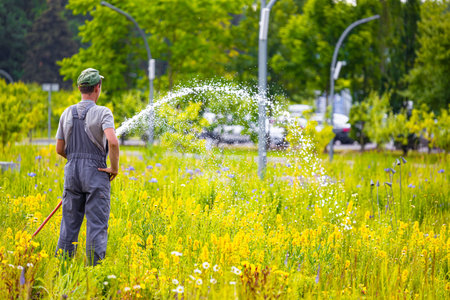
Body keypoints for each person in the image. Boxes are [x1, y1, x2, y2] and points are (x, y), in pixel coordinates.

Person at [55, 68, 119, 266]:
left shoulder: (66, 113)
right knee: (96, 226)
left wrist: (75, 160)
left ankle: (63, 268)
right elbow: (113, 142)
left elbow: (59, 148)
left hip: (72, 174)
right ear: (97, 88)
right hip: (96, 174)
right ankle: (95, 273)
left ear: (79, 88)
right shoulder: (103, 112)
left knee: (69, 225)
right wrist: (114, 168)